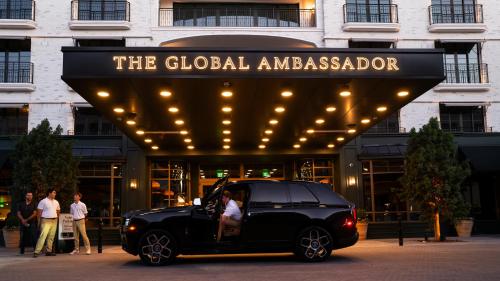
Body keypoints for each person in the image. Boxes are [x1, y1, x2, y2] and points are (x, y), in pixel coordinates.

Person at [33, 188, 60, 258]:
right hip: (45, 220)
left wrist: (57, 218)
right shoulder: (43, 201)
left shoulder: (56, 202)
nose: (55, 194)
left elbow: (58, 211)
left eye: (55, 193)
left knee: (51, 237)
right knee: (43, 236)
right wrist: (39, 222)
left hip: (54, 220)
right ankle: (36, 252)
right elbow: (39, 213)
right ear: (49, 193)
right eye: (54, 192)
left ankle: (49, 251)